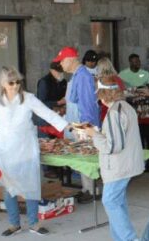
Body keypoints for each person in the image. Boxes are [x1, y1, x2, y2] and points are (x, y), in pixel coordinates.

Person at [0, 67, 69, 236]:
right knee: (8, 186)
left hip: (25, 147)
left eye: (18, 82)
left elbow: (47, 114)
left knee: (31, 185)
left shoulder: (28, 99)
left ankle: (34, 223)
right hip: (2, 149)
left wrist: (66, 125)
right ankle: (14, 224)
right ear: (3, 83)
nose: (15, 85)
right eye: (11, 82)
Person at [84, 77, 144, 241]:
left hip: (119, 166)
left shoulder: (114, 113)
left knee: (110, 201)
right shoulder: (125, 107)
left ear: (103, 94)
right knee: (118, 203)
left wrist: (93, 134)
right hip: (126, 164)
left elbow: (112, 147)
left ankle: (131, 239)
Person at [55, 46, 101, 203]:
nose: (60, 64)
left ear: (70, 59)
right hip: (77, 123)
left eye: (61, 61)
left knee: (87, 158)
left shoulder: (82, 76)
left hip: (83, 124)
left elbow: (87, 102)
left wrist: (85, 127)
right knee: (82, 158)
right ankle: (87, 188)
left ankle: (92, 190)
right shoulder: (77, 75)